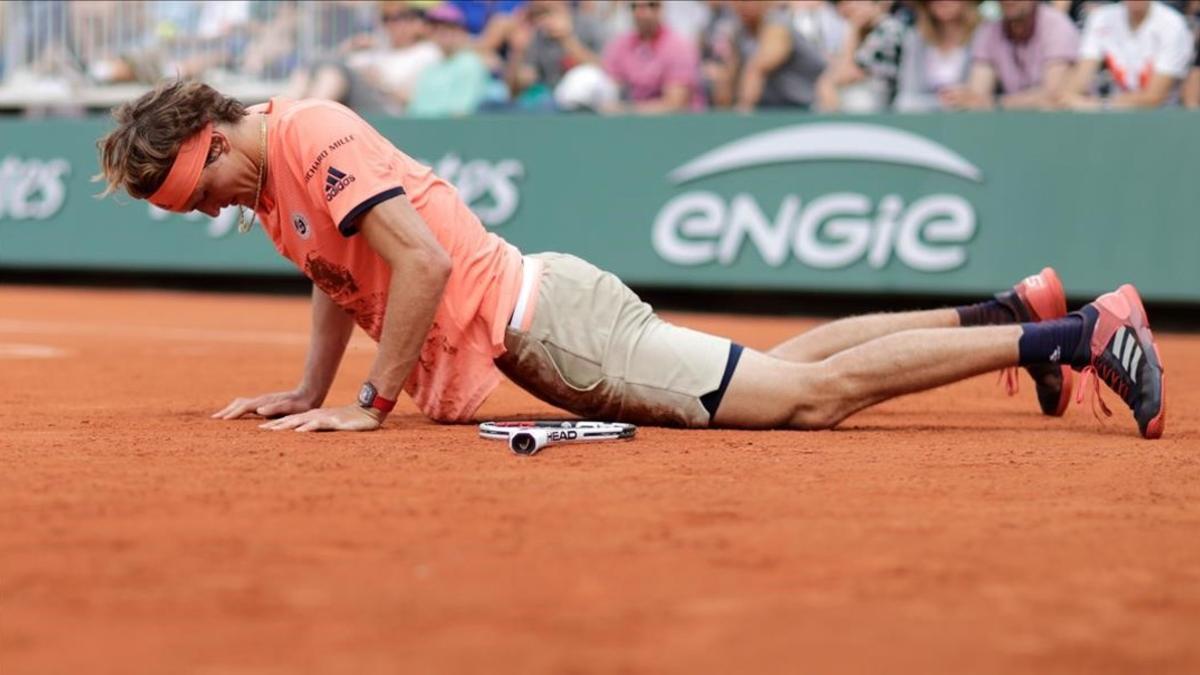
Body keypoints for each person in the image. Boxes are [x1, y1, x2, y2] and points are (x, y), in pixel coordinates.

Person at [94, 81, 1167, 440]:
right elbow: (343, 282)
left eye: (193, 196)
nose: (201, 216)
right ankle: (1007, 311)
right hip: (552, 325)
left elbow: (413, 266)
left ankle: (1077, 333)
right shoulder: (272, 183)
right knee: (785, 362)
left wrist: (368, 408)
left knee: (808, 402)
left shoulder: (308, 133)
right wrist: (305, 390)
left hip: (557, 330)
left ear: (210, 143)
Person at [939, 0, 1080, 110]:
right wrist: (963, 98)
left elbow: (1054, 95)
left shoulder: (1057, 25)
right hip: (1016, 127)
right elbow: (978, 95)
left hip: (1065, 128)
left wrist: (996, 103)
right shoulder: (988, 31)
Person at [1059, 0, 1195, 110]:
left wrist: (1101, 105)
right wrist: (1070, 96)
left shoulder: (1173, 24)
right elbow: (1080, 77)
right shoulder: (1101, 18)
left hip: (1162, 121)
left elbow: (1154, 97)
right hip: (1113, 121)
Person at [601, 0, 704, 114]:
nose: (641, 12)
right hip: (632, 124)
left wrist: (626, 110)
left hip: (676, 126)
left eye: (650, 5)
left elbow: (674, 104)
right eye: (634, 6)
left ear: (660, 8)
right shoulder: (620, 44)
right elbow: (610, 87)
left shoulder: (679, 46)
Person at [731, 0, 835, 111]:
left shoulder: (778, 26)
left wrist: (742, 111)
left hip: (810, 107)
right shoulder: (738, 31)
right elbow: (731, 75)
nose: (746, 6)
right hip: (775, 109)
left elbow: (757, 69)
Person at [814, 0, 907, 113]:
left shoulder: (888, 28)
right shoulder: (863, 32)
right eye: (840, 4)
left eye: (850, 2)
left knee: (853, 96)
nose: (844, 9)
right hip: (870, 100)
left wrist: (853, 29)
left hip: (885, 103)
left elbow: (848, 73)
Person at [893, 0, 980, 113]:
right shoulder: (915, 38)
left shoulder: (983, 35)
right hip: (924, 118)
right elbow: (907, 94)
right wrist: (943, 102)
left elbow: (979, 97)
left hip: (970, 118)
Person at [407, 4, 490, 117]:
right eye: (436, 27)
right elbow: (415, 110)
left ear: (461, 31)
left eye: (449, 27)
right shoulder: (430, 68)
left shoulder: (470, 63)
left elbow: (461, 111)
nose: (442, 32)